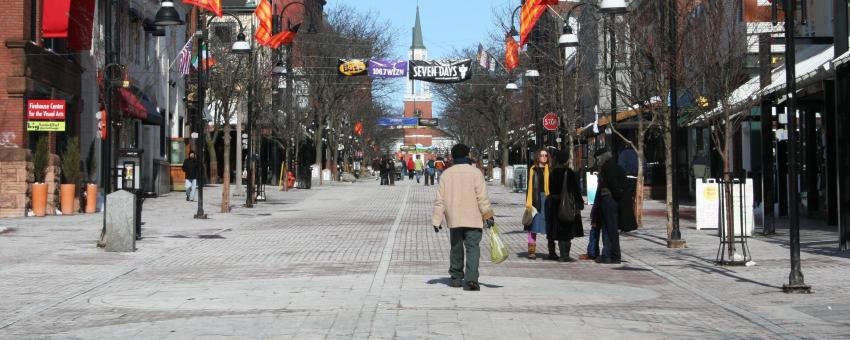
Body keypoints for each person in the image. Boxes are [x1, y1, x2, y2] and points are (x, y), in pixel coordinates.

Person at [432, 143, 494, 291]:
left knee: (456, 248)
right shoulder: (476, 173)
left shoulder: (447, 174)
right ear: (467, 155)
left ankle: (456, 277)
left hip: (454, 218)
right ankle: (472, 278)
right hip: (473, 217)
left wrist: (437, 219)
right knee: (473, 248)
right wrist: (488, 215)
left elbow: (440, 199)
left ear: (453, 156)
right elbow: (482, 198)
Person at [594, 149, 637, 264]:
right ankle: (608, 255)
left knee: (610, 229)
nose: (597, 161)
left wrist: (614, 197)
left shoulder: (608, 168)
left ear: (602, 158)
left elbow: (614, 185)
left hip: (609, 201)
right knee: (608, 229)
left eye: (598, 159)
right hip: (610, 200)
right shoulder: (614, 167)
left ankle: (614, 255)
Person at [546, 150, 584, 262]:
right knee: (567, 229)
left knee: (558, 229)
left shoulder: (552, 173)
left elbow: (551, 190)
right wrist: (579, 202)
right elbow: (575, 190)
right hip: (567, 204)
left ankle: (562, 254)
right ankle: (565, 255)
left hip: (555, 204)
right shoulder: (569, 173)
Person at [524, 149, 550, 260]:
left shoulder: (551, 169)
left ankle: (552, 250)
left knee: (549, 225)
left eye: (546, 155)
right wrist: (529, 203)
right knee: (533, 226)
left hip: (548, 199)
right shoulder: (533, 169)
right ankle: (531, 251)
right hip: (536, 199)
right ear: (537, 157)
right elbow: (530, 187)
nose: (544, 157)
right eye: (542, 155)